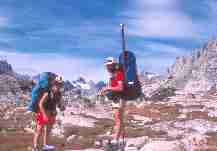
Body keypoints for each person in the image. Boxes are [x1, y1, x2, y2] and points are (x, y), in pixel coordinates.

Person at [32, 75, 64, 151]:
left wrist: (61, 107)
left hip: (52, 113)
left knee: (48, 130)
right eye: (57, 84)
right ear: (54, 84)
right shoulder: (48, 93)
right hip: (43, 111)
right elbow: (40, 104)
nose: (58, 86)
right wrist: (44, 115)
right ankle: (35, 147)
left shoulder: (59, 94)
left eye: (60, 85)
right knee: (39, 130)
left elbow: (59, 104)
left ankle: (45, 145)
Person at [100, 57, 126, 145]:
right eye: (106, 66)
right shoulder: (113, 75)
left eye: (108, 66)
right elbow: (113, 87)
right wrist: (106, 90)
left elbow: (120, 87)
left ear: (112, 65)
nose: (107, 68)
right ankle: (118, 138)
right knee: (118, 118)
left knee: (118, 119)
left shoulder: (118, 73)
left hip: (119, 98)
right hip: (116, 98)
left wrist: (108, 88)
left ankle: (116, 140)